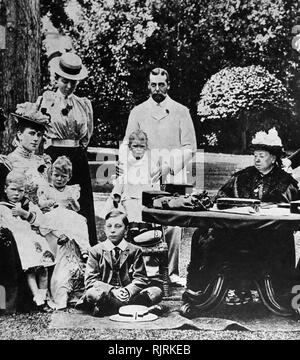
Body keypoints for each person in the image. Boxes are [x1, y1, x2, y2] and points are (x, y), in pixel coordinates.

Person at [186, 128, 300, 304]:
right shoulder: (242, 177)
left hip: (269, 235)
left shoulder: (285, 182)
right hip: (237, 233)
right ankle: (201, 287)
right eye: (255, 155)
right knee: (202, 235)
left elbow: (293, 210)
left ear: (273, 158)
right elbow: (220, 199)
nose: (257, 159)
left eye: (262, 155)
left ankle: (278, 292)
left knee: (279, 240)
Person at [122, 68, 197, 286]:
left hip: (172, 172)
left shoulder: (181, 111)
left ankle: (171, 272)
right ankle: (143, 271)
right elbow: (128, 144)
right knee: (143, 219)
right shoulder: (138, 112)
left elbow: (190, 146)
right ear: (148, 85)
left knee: (173, 222)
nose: (157, 89)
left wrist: (169, 166)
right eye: (153, 84)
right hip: (143, 170)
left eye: (161, 84)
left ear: (169, 84)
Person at [37, 52, 97, 245]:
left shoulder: (83, 104)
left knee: (81, 206)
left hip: (77, 157)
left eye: (74, 82)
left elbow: (86, 137)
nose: (69, 86)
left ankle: (85, 255)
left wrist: (76, 151)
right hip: (54, 155)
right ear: (57, 78)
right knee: (55, 201)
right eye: (65, 81)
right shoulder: (45, 101)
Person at [81, 210, 163, 317]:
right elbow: (91, 281)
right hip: (106, 294)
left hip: (129, 295)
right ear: (104, 229)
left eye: (118, 226)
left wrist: (127, 291)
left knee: (156, 292)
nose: (113, 230)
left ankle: (109, 308)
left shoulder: (135, 250)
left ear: (126, 230)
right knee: (92, 293)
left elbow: (141, 278)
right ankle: (136, 308)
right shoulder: (95, 251)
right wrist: (112, 290)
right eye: (109, 226)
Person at [37, 156, 90, 309]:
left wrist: (72, 200)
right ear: (51, 174)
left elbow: (77, 208)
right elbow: (41, 204)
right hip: (52, 218)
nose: (59, 179)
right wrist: (48, 202)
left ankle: (84, 248)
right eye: (56, 175)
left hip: (67, 219)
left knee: (79, 220)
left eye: (63, 176)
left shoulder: (71, 189)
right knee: (63, 218)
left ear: (69, 177)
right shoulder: (46, 189)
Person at [0, 171, 55, 311]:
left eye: (21, 190)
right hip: (18, 241)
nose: (16, 194)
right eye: (13, 189)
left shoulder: (26, 204)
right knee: (30, 270)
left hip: (32, 239)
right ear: (5, 188)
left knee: (44, 268)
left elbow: (40, 221)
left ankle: (44, 296)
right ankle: (38, 299)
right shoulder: (2, 206)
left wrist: (24, 213)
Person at [102, 129, 160, 222]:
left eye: (142, 146)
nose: (138, 149)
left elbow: (155, 183)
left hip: (145, 199)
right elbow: (120, 182)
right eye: (135, 146)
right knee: (131, 218)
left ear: (146, 148)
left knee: (146, 219)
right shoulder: (125, 162)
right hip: (128, 198)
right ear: (130, 147)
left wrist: (156, 197)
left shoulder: (151, 163)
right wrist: (116, 195)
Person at [7, 102, 51, 204]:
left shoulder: (41, 160)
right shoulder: (10, 161)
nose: (36, 139)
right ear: (20, 135)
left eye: (39, 135)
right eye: (32, 133)